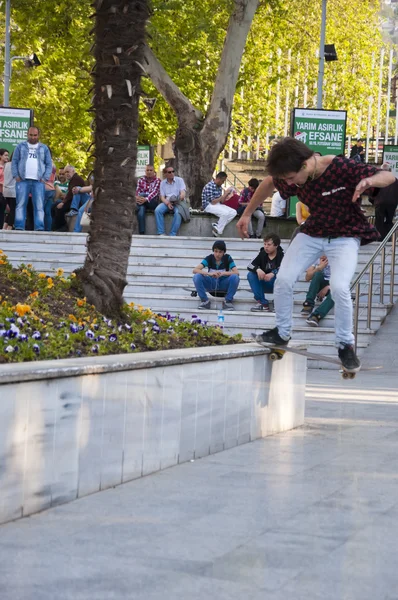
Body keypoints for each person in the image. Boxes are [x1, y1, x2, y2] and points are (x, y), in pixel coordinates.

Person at [236, 136, 395, 373]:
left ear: (305, 164)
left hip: (344, 236)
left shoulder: (340, 167)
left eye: (291, 179)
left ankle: (345, 345)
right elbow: (269, 182)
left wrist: (370, 180)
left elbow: (390, 177)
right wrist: (247, 213)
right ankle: (282, 333)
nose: (291, 185)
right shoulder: (292, 177)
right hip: (312, 232)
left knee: (340, 287)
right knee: (284, 279)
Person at [11, 126, 52, 231]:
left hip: (38, 181)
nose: (33, 137)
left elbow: (49, 164)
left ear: (38, 135)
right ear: (27, 134)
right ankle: (19, 227)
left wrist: (45, 178)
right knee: (20, 204)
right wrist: (16, 176)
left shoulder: (44, 148)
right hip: (22, 180)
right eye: (31, 135)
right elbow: (14, 161)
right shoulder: (20, 146)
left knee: (39, 206)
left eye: (35, 135)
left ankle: (39, 227)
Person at [192, 239, 240, 311]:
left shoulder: (228, 258)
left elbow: (236, 272)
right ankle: (205, 301)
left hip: (223, 283)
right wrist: (209, 274)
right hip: (211, 283)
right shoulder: (209, 258)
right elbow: (195, 270)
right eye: (215, 251)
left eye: (220, 252)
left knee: (235, 277)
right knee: (197, 276)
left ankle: (228, 301)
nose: (217, 254)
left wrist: (223, 273)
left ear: (224, 252)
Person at [247, 233, 284, 311]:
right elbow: (250, 265)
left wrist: (273, 273)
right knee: (251, 275)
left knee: (282, 276)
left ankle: (278, 302)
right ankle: (262, 303)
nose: (266, 247)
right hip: (264, 282)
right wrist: (257, 269)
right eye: (265, 244)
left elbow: (286, 268)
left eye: (269, 244)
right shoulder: (262, 254)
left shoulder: (282, 255)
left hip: (276, 284)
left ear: (276, 245)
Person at [301, 256, 334, 327]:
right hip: (320, 283)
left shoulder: (337, 258)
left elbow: (343, 280)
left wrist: (328, 287)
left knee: (335, 294)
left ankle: (316, 316)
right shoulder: (316, 257)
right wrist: (319, 268)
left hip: (334, 285)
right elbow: (307, 278)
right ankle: (308, 304)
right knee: (317, 274)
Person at [201, 172, 237, 237]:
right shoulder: (209, 186)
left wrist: (227, 195)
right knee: (225, 213)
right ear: (218, 178)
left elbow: (221, 201)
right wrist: (225, 194)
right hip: (208, 205)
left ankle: (217, 225)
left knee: (233, 212)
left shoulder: (219, 187)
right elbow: (213, 202)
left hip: (217, 204)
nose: (223, 183)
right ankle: (218, 232)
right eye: (223, 181)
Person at [51, 165, 86, 231]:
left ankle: (63, 227)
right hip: (71, 200)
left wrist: (63, 202)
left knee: (58, 207)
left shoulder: (76, 179)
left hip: (78, 202)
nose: (66, 174)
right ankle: (54, 227)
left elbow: (70, 194)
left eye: (68, 172)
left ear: (73, 171)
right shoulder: (72, 179)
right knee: (54, 206)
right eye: (65, 172)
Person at [369, 163, 398, 241]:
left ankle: (380, 238)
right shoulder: (395, 180)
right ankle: (389, 238)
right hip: (392, 203)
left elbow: (371, 193)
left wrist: (373, 201)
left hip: (380, 202)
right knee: (389, 220)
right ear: (389, 171)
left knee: (379, 221)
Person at [155, 167, 186, 236]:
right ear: (165, 174)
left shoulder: (179, 180)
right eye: (169, 172)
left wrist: (179, 198)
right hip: (168, 201)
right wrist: (168, 203)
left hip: (178, 201)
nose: (172, 173)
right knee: (158, 210)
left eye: (173, 171)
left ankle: (172, 234)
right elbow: (162, 197)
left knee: (178, 213)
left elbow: (183, 193)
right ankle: (161, 232)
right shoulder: (163, 183)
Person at [135, 164, 160, 234]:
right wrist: (137, 198)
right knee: (141, 208)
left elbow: (155, 193)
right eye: (147, 170)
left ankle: (136, 205)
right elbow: (137, 191)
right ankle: (142, 232)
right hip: (142, 202)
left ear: (154, 171)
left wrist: (145, 198)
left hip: (153, 202)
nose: (149, 172)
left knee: (142, 194)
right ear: (145, 171)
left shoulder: (158, 180)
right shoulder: (140, 180)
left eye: (151, 170)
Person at [2, 157, 16, 229]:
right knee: (13, 210)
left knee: (9, 210)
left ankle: (4, 226)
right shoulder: (16, 165)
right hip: (13, 190)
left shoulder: (6, 164)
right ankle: (9, 227)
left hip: (5, 189)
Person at [0, 148, 10, 229]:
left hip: (6, 193)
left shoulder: (8, 167)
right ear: (0, 156)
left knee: (3, 212)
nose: (7, 157)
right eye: (5, 155)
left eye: (8, 155)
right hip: (0, 192)